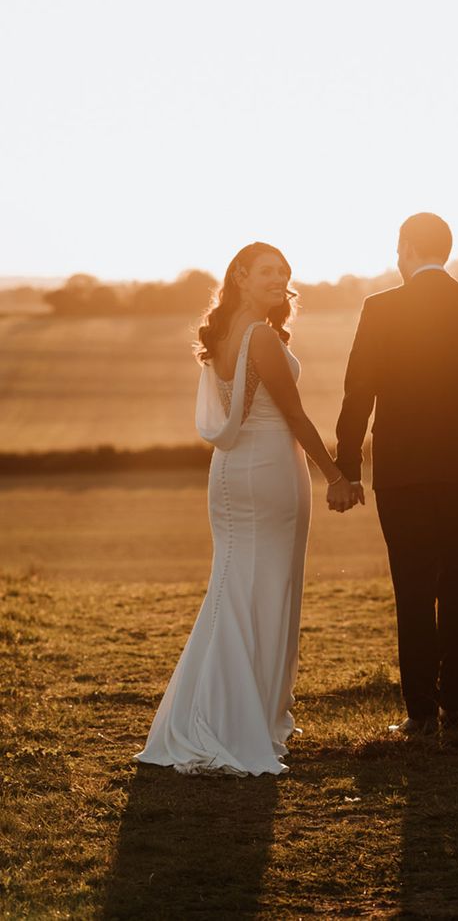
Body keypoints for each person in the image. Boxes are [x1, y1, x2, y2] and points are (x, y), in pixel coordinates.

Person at [134, 242, 353, 776]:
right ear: (240, 276)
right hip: (271, 469)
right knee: (265, 590)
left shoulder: (228, 334)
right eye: (267, 271)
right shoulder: (259, 337)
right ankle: (238, 722)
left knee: (235, 588)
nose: (280, 278)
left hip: (231, 471)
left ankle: (218, 714)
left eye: (284, 271)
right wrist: (337, 474)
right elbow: (296, 415)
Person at [332, 213, 458, 740]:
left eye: (398, 247)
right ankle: (455, 707)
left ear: (408, 247)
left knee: (412, 587)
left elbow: (358, 394)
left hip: (403, 473)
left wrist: (348, 466)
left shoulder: (381, 308)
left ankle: (419, 712)